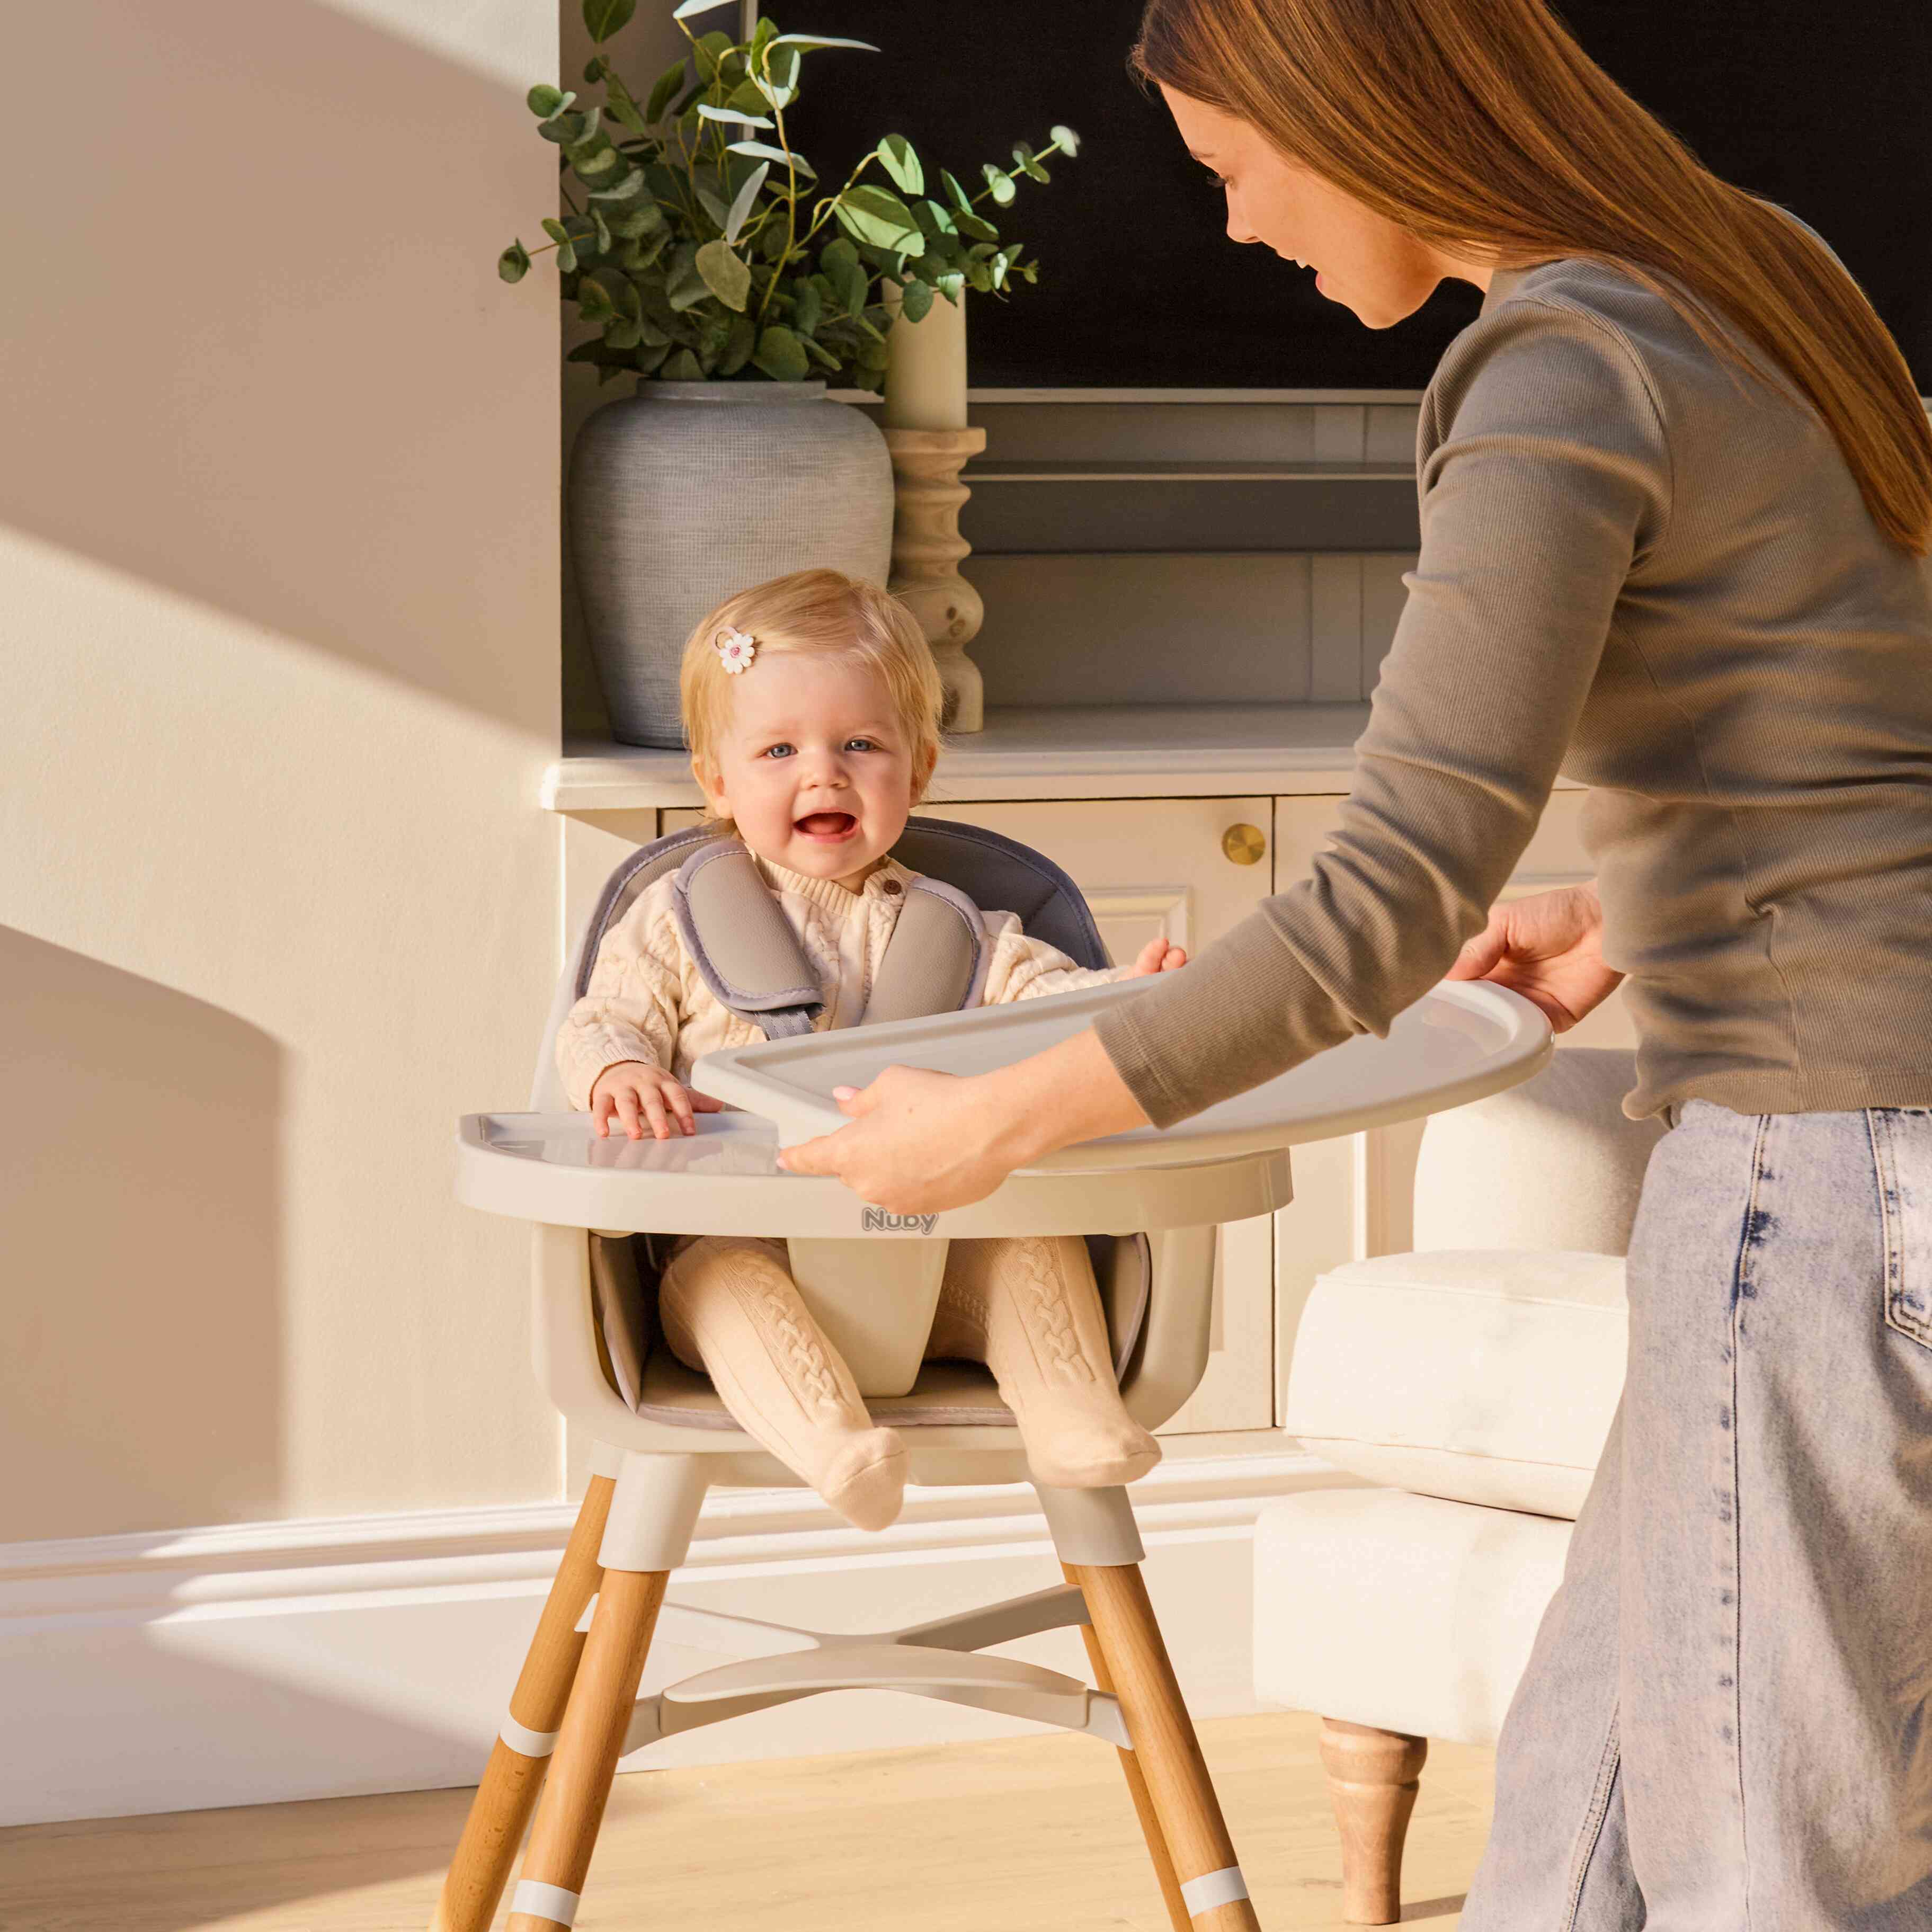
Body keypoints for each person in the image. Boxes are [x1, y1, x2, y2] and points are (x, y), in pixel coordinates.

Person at [778, 0, 1932, 1923]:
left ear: (1361, 117)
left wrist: (996, 1123)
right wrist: (1634, 909)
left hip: (1808, 1194)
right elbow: (1861, 732)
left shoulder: (1553, 365)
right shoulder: (1761, 271)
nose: (1235, 229)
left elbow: (1377, 897)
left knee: (1757, 1878)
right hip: (1868, 1149)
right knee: (1593, 1808)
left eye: (1234, 169)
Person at [555, 566, 1186, 1532]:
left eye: (860, 744)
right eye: (777, 749)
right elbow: (605, 1015)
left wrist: (1136, 995)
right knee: (722, 1284)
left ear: (918, 768)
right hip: (736, 1243)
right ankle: (833, 1445)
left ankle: (1073, 1417)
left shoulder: (972, 932)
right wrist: (621, 1070)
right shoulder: (675, 918)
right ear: (716, 783)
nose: (823, 773)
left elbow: (1052, 1012)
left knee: (1032, 1247)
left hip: (937, 1265)